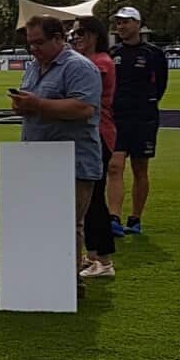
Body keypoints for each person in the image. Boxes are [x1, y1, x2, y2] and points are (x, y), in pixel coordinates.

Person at [10, 15, 103, 299]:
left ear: (58, 39)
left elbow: (84, 108)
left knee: (67, 223)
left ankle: (69, 282)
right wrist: (23, 107)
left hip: (71, 159)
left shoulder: (79, 67)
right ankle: (41, 275)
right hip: (37, 156)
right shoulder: (35, 67)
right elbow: (35, 103)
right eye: (30, 44)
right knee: (39, 221)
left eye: (39, 42)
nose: (34, 49)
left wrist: (37, 104)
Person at [108, 7, 168, 236]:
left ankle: (135, 218)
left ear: (137, 24)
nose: (121, 27)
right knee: (115, 166)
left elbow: (161, 84)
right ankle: (114, 217)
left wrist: (147, 104)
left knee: (140, 168)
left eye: (125, 22)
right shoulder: (113, 52)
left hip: (144, 118)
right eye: (118, 23)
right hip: (117, 117)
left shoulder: (153, 53)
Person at [72, 16, 117, 279]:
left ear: (93, 36)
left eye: (80, 34)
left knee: (95, 200)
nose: (76, 38)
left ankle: (104, 258)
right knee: (88, 201)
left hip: (99, 133)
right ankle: (94, 255)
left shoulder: (98, 63)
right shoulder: (93, 62)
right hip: (95, 133)